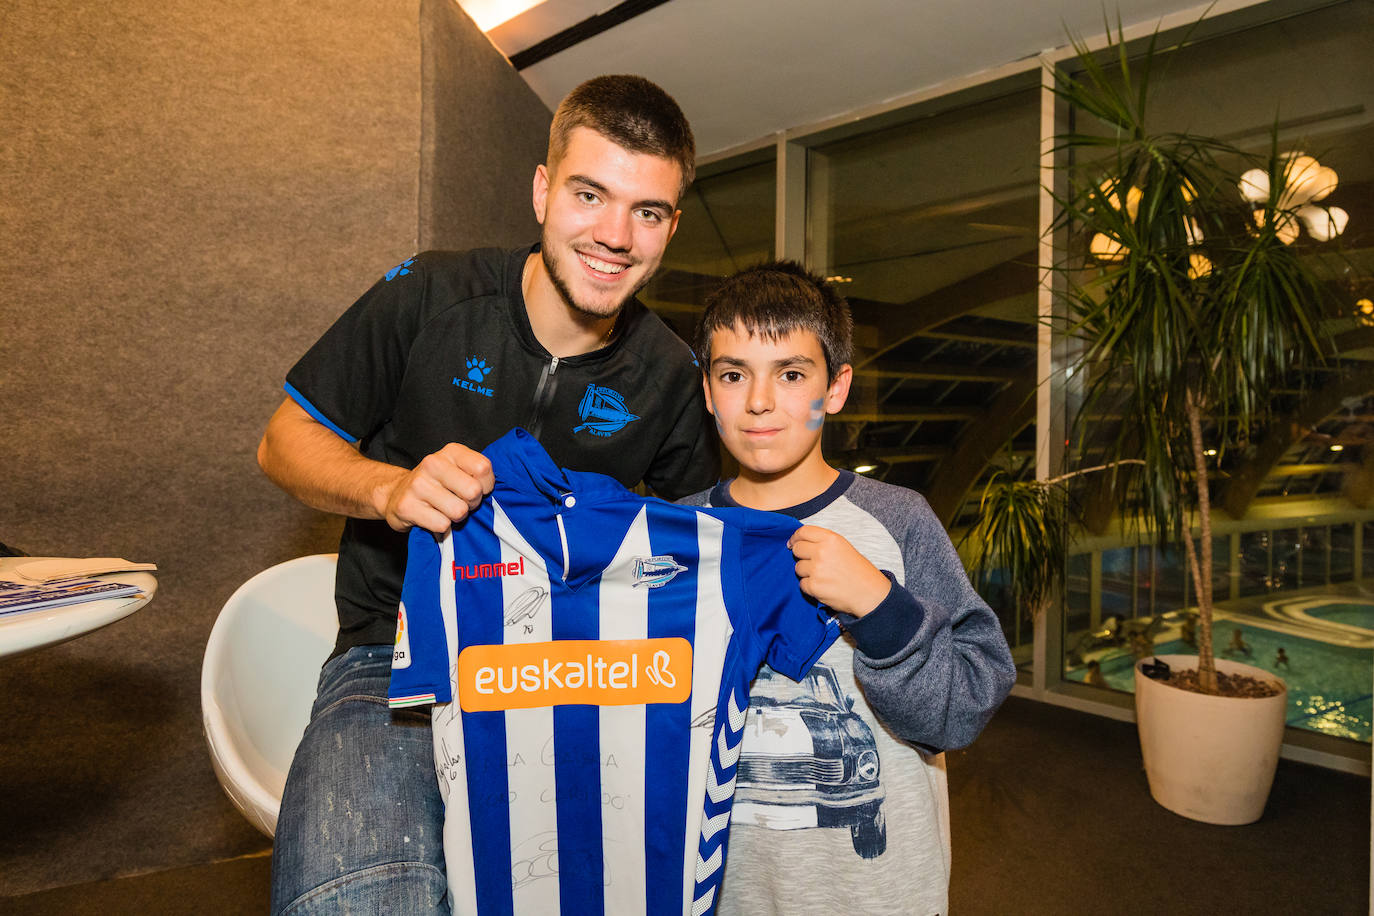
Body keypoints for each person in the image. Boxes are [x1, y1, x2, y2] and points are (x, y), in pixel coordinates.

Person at [257, 74, 718, 913]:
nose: (615, 235)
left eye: (647, 211)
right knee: (359, 900)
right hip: (392, 664)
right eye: (590, 194)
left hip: (573, 674)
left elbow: (703, 553)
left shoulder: (672, 375)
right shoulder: (433, 294)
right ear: (543, 190)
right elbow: (282, 441)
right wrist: (392, 489)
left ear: (670, 226)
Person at [679, 261, 1017, 915]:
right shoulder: (674, 533)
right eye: (732, 374)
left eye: (791, 374)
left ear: (835, 389)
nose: (757, 400)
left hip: (871, 894)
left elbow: (964, 710)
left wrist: (882, 607)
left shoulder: (897, 521)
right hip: (720, 890)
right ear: (708, 389)